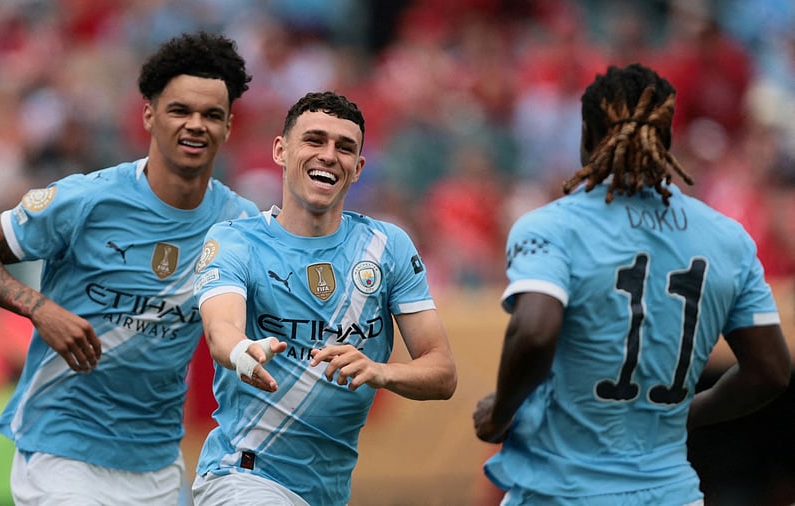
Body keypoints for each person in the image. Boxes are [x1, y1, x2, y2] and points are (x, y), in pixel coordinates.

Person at [0, 31, 258, 505]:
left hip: (156, 460)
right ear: (149, 115)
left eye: (212, 115)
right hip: (60, 449)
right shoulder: (86, 200)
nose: (196, 125)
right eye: (180, 110)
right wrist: (41, 309)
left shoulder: (241, 226)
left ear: (229, 126)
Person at [472, 63, 791, 505]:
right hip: (670, 495)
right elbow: (771, 370)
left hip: (560, 493)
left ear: (585, 138)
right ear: (668, 142)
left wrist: (500, 412)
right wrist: (690, 414)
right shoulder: (728, 239)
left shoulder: (552, 227)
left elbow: (535, 330)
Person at [190, 91, 458, 506]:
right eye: (314, 140)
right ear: (281, 150)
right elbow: (220, 329)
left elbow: (442, 371)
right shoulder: (235, 240)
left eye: (344, 147)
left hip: (327, 493)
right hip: (242, 476)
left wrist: (381, 372)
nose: (329, 155)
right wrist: (245, 352)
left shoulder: (387, 247)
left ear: (358, 168)